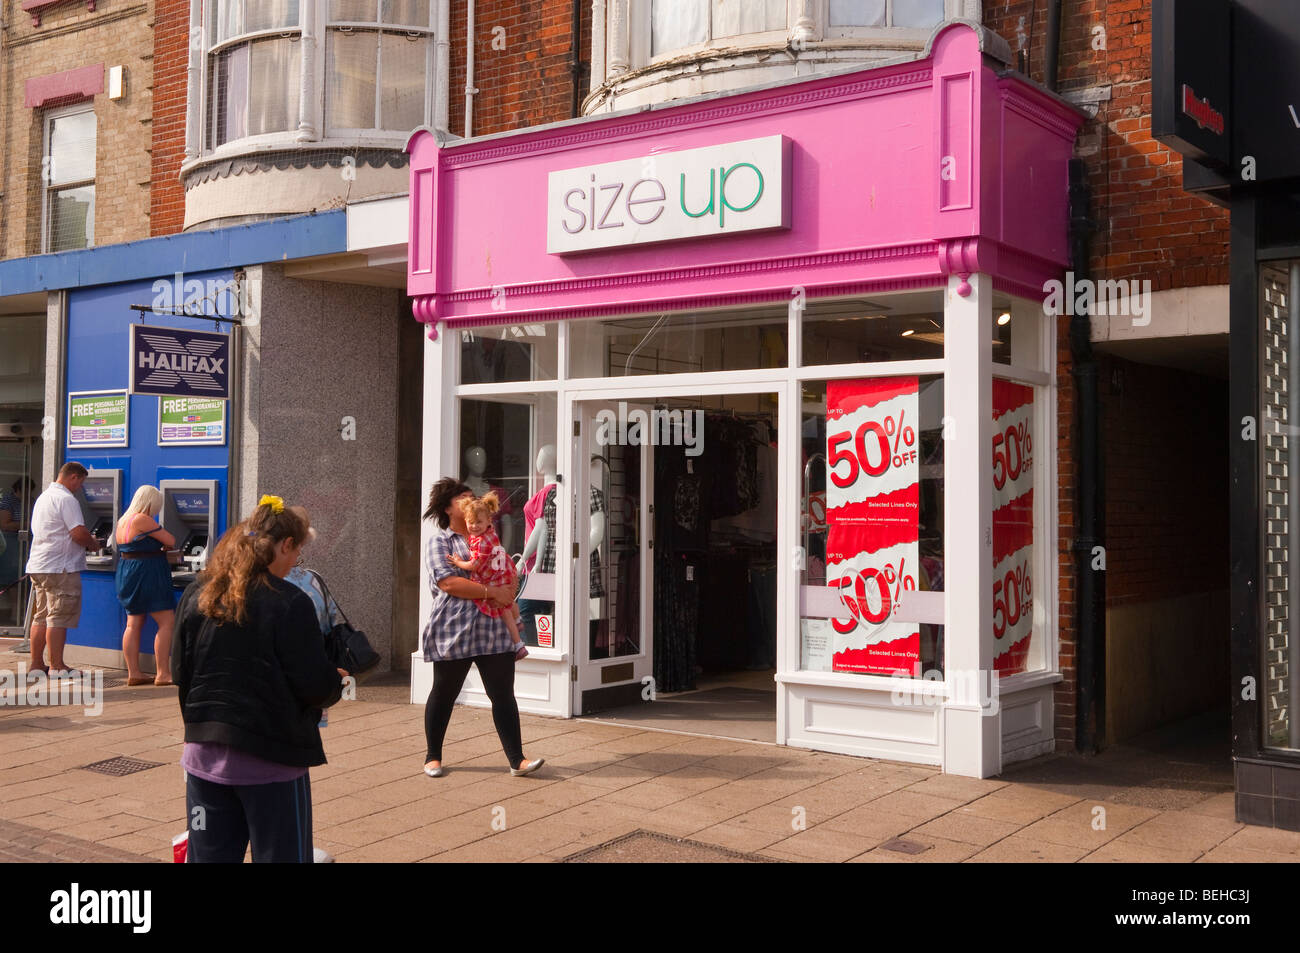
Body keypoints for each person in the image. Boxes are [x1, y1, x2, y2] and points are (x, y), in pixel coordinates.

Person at [172, 495, 345, 863]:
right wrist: (336, 680)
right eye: (297, 551)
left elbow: (181, 674)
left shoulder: (196, 594)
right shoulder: (290, 602)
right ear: (284, 546)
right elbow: (315, 686)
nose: (297, 560)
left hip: (204, 757)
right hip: (272, 763)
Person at [421, 478, 543, 779]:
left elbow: (505, 574)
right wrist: (492, 592)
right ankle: (433, 756)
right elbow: (449, 583)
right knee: (443, 692)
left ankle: (517, 759)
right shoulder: (441, 542)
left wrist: (509, 585)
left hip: (493, 629)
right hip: (455, 629)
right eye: (462, 498)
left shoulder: (489, 538)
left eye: (471, 497)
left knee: (503, 694)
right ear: (448, 508)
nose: (469, 502)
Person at [26, 462, 100, 678]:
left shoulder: (44, 497)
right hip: (60, 567)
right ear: (74, 477)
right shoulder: (67, 499)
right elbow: (78, 533)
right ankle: (57, 666)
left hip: (40, 564)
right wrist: (93, 543)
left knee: (41, 616)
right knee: (58, 617)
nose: (80, 487)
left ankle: (37, 665)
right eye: (81, 482)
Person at [447, 493, 527, 660]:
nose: (474, 526)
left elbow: (474, 565)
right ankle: (518, 619)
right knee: (509, 601)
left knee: (503, 608)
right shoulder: (490, 533)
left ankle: (518, 645)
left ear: (489, 521)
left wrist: (458, 562)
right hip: (502, 570)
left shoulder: (481, 541)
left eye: (479, 522)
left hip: (496, 576)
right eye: (470, 522)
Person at [114, 485, 177, 686]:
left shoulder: (123, 520)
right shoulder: (142, 519)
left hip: (127, 572)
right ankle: (163, 673)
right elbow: (171, 540)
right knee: (167, 621)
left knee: (133, 623)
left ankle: (134, 673)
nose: (156, 510)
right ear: (150, 502)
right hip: (148, 573)